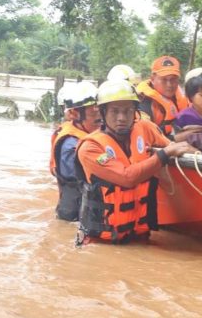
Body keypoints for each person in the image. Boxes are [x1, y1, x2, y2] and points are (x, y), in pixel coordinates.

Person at [75, 80, 193, 244]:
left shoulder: (145, 128)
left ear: (135, 112)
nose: (122, 118)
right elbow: (127, 178)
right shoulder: (90, 148)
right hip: (102, 242)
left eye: (128, 111)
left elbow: (172, 146)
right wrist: (164, 155)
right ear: (102, 113)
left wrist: (196, 153)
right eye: (115, 111)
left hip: (139, 236)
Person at [50, 82, 100, 221]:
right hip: (74, 214)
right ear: (74, 114)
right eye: (93, 111)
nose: (99, 116)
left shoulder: (88, 134)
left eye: (100, 109)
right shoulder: (71, 144)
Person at [136, 55, 189, 137]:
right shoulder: (144, 103)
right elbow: (145, 138)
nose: (169, 84)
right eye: (164, 79)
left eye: (173, 79)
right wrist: (176, 138)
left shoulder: (180, 96)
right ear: (153, 79)